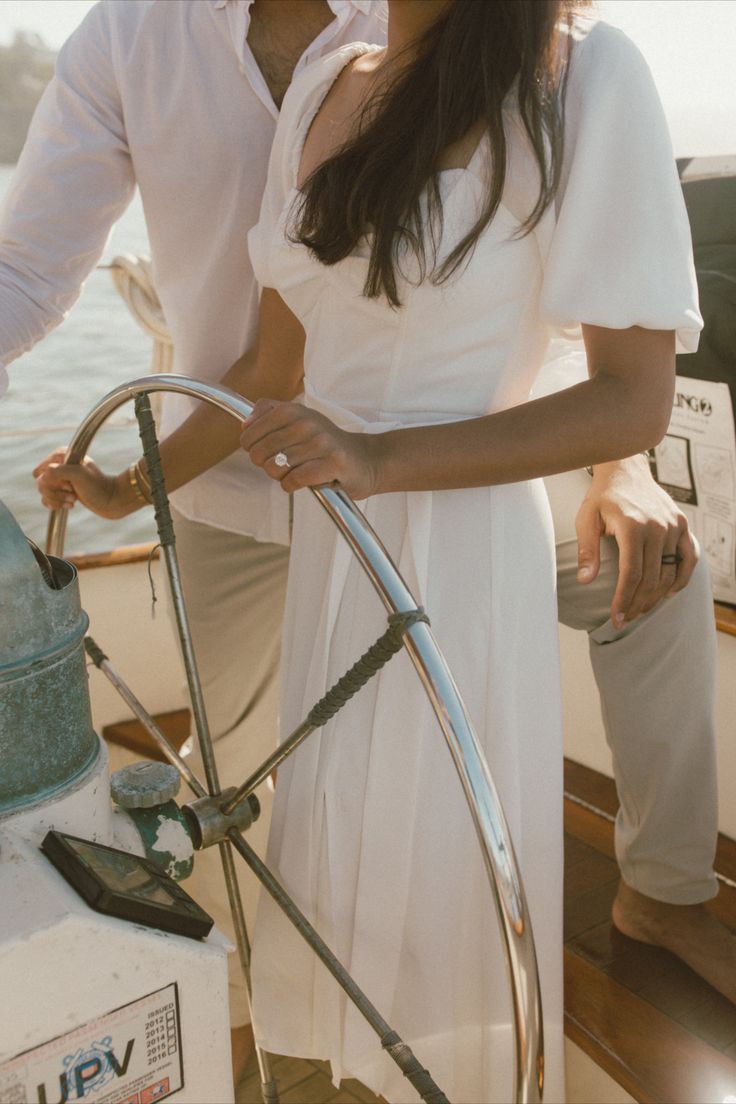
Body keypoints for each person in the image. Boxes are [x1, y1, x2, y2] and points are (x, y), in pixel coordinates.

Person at [15, 0, 730, 1083]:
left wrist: (387, 460)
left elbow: (627, 395)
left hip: (460, 533)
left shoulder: (585, 74)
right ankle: (301, 1057)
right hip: (315, 537)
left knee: (457, 866)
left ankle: (623, 933)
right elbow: (262, 368)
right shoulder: (308, 74)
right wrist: (127, 485)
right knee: (312, 834)